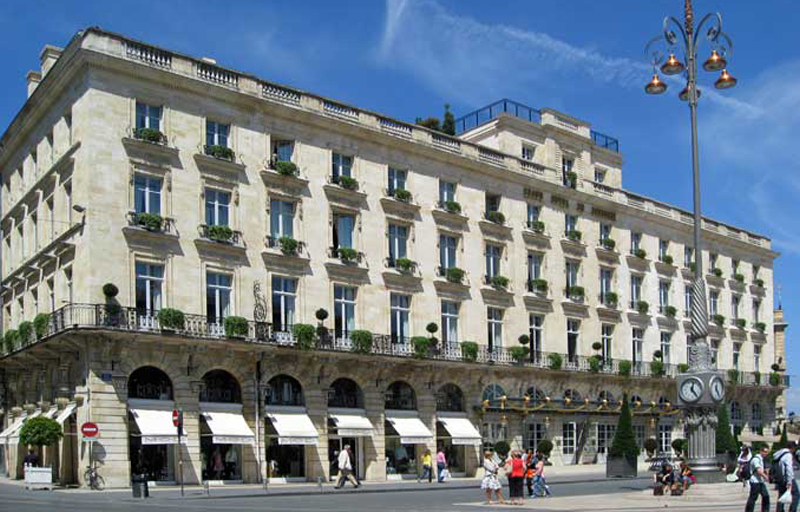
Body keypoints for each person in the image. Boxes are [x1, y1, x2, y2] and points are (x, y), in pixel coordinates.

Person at [774, 441, 799, 512]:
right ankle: (792, 510)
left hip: (780, 478)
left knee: (781, 495)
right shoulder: (788, 455)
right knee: (796, 495)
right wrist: (789, 481)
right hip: (786, 478)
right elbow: (789, 468)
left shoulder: (779, 454)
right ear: (793, 448)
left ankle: (779, 510)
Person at [744, 445, 770, 512]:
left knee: (766, 496)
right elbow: (758, 471)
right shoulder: (756, 459)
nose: (766, 453)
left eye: (767, 452)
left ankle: (765, 510)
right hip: (755, 482)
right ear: (761, 451)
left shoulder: (761, 459)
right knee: (753, 498)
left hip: (760, 481)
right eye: (764, 451)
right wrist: (766, 477)